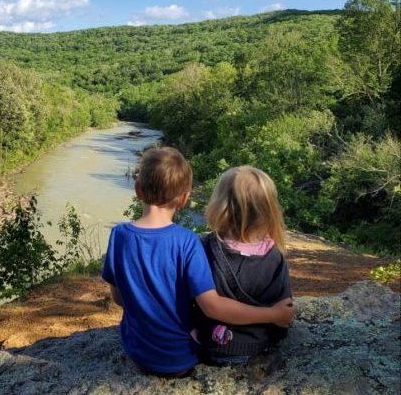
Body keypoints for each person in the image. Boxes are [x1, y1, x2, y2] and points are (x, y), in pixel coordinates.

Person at [102, 148, 294, 376]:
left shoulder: (119, 235)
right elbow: (213, 305)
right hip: (184, 357)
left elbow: (119, 298)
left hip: (139, 351)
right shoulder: (188, 242)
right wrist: (273, 314)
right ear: (184, 198)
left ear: (137, 190)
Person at [193, 165, 292, 366]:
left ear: (220, 206)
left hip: (209, 344)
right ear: (269, 211)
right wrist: (274, 316)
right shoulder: (275, 256)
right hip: (257, 346)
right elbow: (285, 310)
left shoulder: (203, 247)